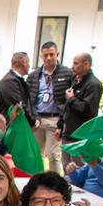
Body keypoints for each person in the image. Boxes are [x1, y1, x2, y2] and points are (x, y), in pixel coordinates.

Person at [27, 42, 73, 173]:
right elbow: (28, 100)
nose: (48, 58)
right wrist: (33, 118)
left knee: (53, 155)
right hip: (38, 119)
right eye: (45, 55)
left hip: (55, 119)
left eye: (51, 55)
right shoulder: (34, 75)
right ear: (41, 56)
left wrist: (61, 123)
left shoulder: (67, 74)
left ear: (57, 55)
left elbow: (69, 101)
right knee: (36, 156)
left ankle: (56, 183)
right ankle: (37, 181)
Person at [60, 53, 103, 164]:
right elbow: (66, 106)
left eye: (76, 63)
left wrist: (72, 99)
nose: (72, 66)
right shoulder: (75, 80)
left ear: (86, 64)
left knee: (79, 167)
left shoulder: (93, 84)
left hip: (81, 136)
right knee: (66, 166)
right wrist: (60, 125)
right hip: (68, 133)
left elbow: (87, 110)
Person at [0, 52, 34, 128]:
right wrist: (32, 121)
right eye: (28, 62)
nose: (29, 65)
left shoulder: (17, 80)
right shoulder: (9, 81)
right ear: (24, 62)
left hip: (14, 125)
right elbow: (18, 105)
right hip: (9, 127)